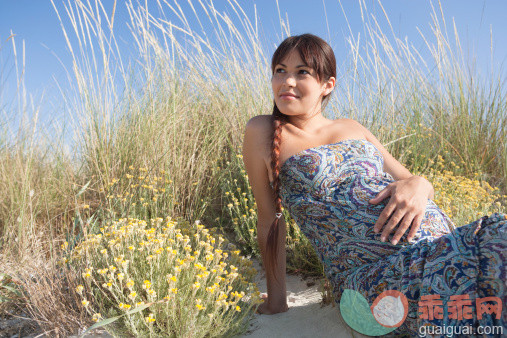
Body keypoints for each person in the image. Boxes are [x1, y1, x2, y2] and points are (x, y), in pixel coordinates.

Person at [242, 33, 506, 336]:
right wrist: (277, 301)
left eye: (302, 72)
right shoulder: (262, 130)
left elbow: (412, 181)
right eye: (280, 70)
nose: (287, 81)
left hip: (440, 246)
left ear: (328, 84)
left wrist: (419, 184)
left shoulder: (351, 127)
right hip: (375, 281)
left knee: (498, 239)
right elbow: (269, 219)